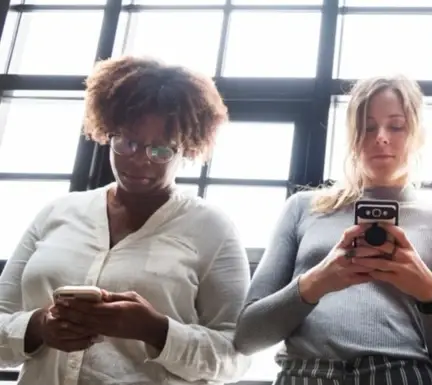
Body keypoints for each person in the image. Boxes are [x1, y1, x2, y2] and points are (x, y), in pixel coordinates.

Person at [0, 55, 252, 384]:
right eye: (127, 142)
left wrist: (156, 331)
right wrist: (38, 328)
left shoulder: (212, 229)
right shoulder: (57, 213)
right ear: (108, 132)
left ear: (188, 149)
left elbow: (235, 357)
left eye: (161, 149)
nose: (139, 161)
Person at [233, 75, 432, 385]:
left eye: (396, 126)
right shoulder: (303, 208)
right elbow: (246, 337)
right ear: (352, 135)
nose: (381, 137)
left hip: (402, 375)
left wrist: (429, 294)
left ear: (417, 134)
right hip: (306, 372)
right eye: (368, 126)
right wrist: (317, 282)